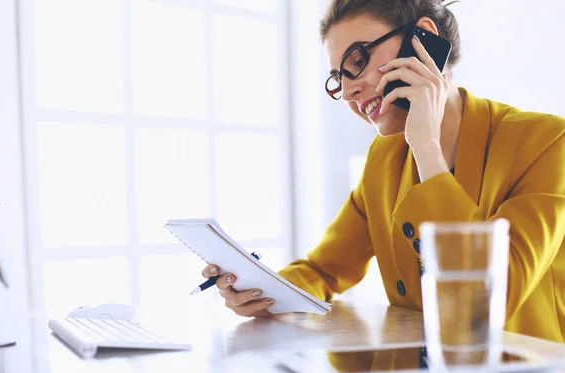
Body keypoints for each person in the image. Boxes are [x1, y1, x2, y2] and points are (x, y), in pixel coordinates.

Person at [200, 0, 565, 343]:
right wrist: (260, 293)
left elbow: (483, 307)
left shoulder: (547, 142)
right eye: (338, 77)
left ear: (425, 37)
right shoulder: (384, 160)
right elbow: (323, 270)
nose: (348, 90)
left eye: (357, 60)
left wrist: (426, 146)